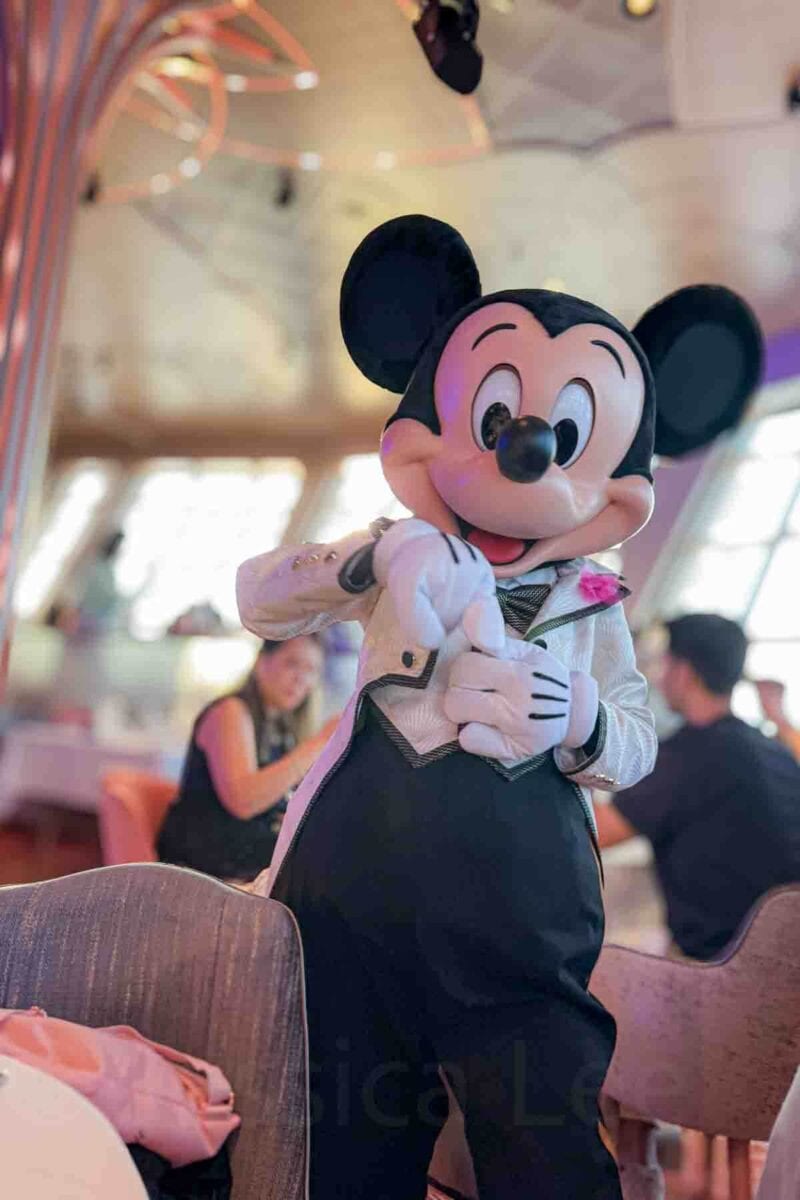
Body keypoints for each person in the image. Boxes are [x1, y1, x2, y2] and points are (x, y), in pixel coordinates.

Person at [596, 614, 800, 960]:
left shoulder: (690, 755)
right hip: (784, 952)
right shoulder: (770, 749)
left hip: (731, 964)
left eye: (665, 663)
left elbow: (594, 833)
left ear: (683, 671)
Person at [157, 637, 337, 885]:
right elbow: (243, 800)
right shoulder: (230, 711)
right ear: (262, 662)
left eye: (311, 670)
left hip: (245, 863)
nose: (301, 678)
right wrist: (318, 744)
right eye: (292, 664)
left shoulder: (281, 726)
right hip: (204, 872)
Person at [754, 678, 800, 760]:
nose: (763, 703)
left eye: (769, 696)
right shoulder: (768, 736)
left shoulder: (795, 738)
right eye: (760, 696)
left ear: (780, 697)